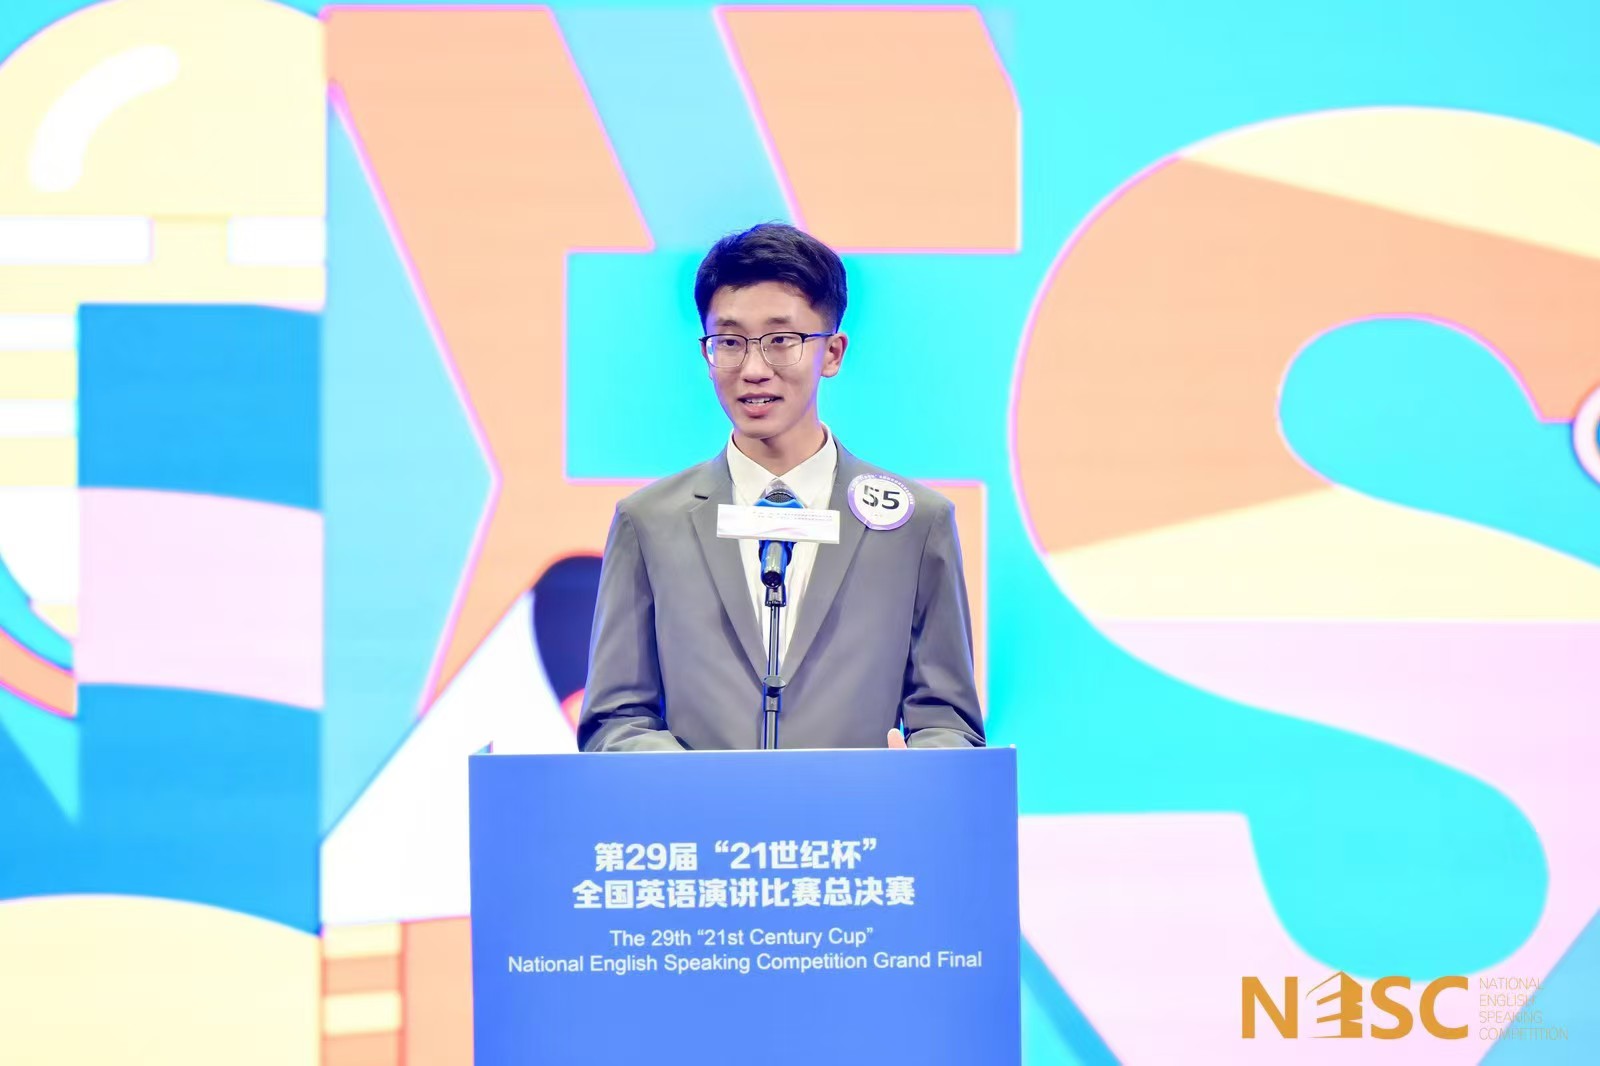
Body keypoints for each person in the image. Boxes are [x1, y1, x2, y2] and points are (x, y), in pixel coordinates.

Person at [577, 222, 984, 751]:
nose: (753, 369)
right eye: (729, 342)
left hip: (859, 808)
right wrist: (687, 778)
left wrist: (908, 774)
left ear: (832, 353)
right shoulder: (650, 521)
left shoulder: (914, 523)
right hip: (700, 807)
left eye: (781, 341)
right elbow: (615, 719)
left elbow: (949, 721)